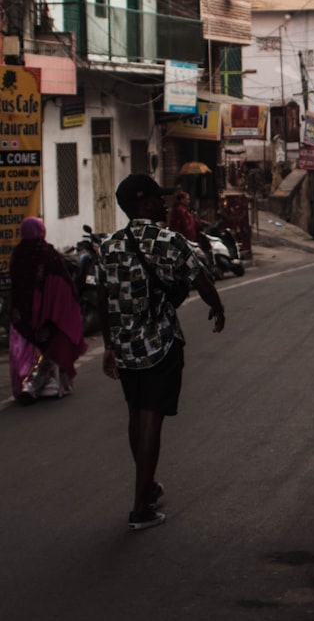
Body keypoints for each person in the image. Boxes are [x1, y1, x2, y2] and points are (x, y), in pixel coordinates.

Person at [96, 173, 226, 531]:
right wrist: (218, 309)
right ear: (144, 204)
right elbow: (202, 280)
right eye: (157, 198)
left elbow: (103, 299)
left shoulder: (108, 246)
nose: (163, 202)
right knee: (152, 418)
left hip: (125, 346)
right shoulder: (170, 241)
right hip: (160, 343)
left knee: (136, 413)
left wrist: (109, 345)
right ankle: (141, 508)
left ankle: (148, 486)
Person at [8, 217, 88, 404]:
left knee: (27, 349)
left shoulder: (18, 254)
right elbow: (63, 284)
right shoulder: (47, 253)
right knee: (52, 344)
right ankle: (44, 387)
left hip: (22, 314)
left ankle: (27, 386)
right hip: (48, 314)